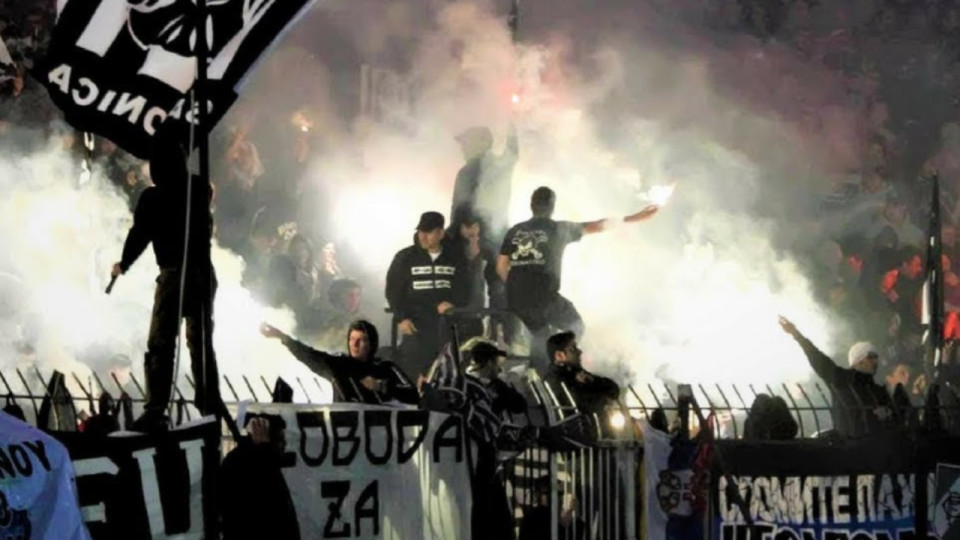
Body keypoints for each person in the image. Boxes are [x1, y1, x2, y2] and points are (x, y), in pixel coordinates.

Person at [110, 139, 221, 431]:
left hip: (175, 274)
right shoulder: (199, 189)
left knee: (161, 342)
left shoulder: (153, 198)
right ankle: (209, 401)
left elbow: (140, 233)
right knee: (200, 341)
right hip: (203, 273)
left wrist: (124, 262)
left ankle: (156, 408)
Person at [497, 187, 659, 368]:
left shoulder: (515, 231)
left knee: (541, 335)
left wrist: (516, 287)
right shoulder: (558, 228)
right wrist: (636, 217)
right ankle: (560, 366)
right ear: (552, 207)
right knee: (575, 326)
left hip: (517, 299)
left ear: (531, 205)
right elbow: (599, 225)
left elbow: (501, 266)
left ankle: (537, 372)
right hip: (544, 298)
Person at [778, 316, 895, 437]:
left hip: (877, 445)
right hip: (849, 444)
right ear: (859, 361)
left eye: (876, 357)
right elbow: (817, 357)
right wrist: (796, 334)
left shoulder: (879, 390)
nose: (875, 361)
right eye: (871, 357)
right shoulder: (841, 379)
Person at [260, 320, 419, 405]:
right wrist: (283, 338)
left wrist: (381, 387)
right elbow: (310, 356)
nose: (355, 344)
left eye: (361, 340)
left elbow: (413, 395)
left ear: (372, 343)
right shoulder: (339, 365)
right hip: (345, 435)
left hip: (379, 436)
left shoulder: (386, 367)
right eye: (352, 339)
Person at [386, 211, 467, 377]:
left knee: (444, 372)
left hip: (445, 326)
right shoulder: (405, 257)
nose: (423, 236)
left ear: (441, 233)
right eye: (421, 231)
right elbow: (393, 291)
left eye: (428, 232)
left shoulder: (455, 257)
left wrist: (453, 304)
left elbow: (464, 287)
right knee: (412, 372)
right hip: (415, 326)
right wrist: (402, 318)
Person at [219, 414, 299, 540]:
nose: (284, 444)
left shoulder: (262, 460)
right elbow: (263, 507)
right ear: (267, 438)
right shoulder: (254, 462)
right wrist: (264, 449)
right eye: (280, 439)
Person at [541, 331, 621, 439]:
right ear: (559, 355)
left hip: (594, 436)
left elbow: (614, 390)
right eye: (572, 349)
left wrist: (593, 381)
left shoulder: (577, 374)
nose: (579, 352)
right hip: (577, 439)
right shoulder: (555, 381)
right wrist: (602, 398)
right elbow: (585, 405)